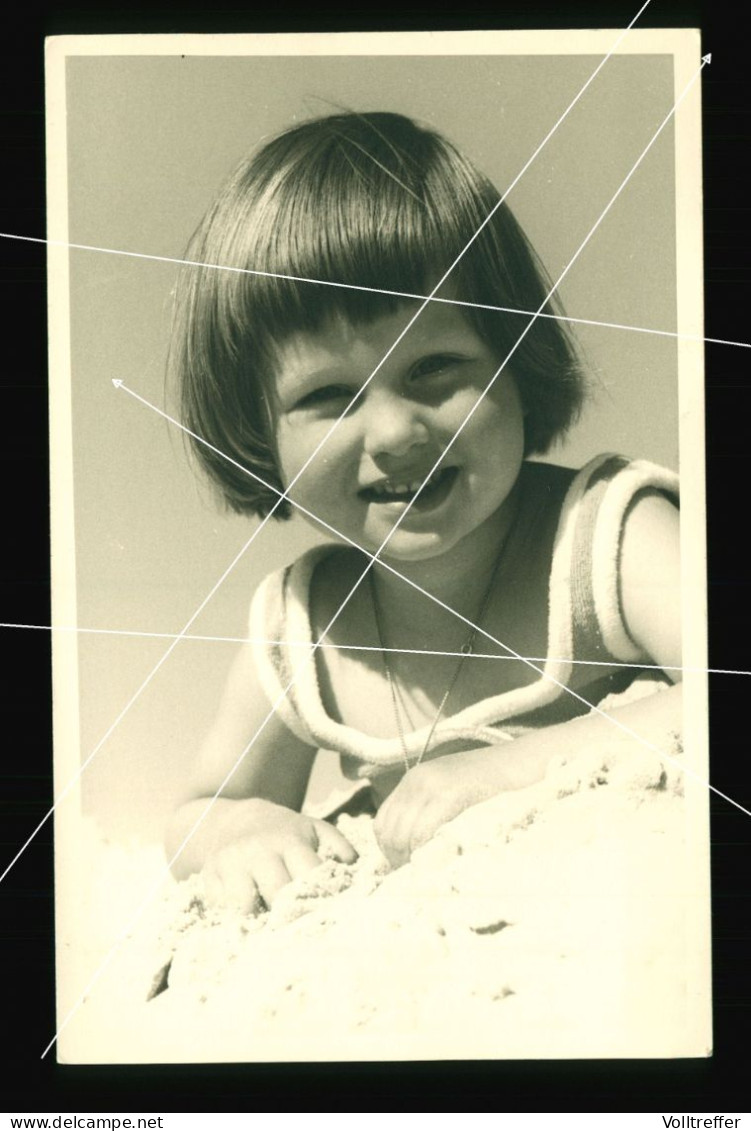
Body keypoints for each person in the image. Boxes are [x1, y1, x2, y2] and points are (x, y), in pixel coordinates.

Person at [165, 111, 681, 914]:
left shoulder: (606, 536)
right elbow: (199, 811)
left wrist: (510, 767)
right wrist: (244, 827)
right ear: (254, 432)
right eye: (328, 397)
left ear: (519, 357)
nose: (398, 431)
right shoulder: (304, 628)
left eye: (436, 367)